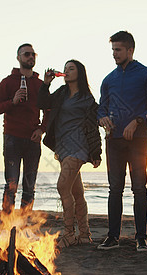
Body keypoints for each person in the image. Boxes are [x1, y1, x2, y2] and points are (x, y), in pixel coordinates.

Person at [96, 31, 147, 252]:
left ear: (130, 50)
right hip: (113, 140)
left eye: (118, 50)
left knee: (139, 188)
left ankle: (141, 238)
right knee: (115, 189)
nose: (114, 54)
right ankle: (112, 237)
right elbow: (101, 107)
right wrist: (102, 118)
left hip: (139, 140)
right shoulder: (108, 80)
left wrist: (137, 121)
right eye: (113, 50)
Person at [37, 60, 102, 248]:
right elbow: (42, 103)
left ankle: (69, 233)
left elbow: (93, 128)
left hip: (79, 146)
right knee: (77, 192)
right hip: (62, 147)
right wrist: (46, 83)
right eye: (65, 69)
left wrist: (96, 152)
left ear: (80, 73)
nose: (66, 71)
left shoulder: (88, 100)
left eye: (71, 68)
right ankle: (85, 234)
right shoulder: (61, 94)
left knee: (62, 186)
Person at [0, 43, 47, 213]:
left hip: (32, 139)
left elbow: (49, 111)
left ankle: (25, 225)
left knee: (29, 187)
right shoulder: (7, 82)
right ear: (18, 58)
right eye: (26, 54)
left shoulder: (39, 84)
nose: (30, 57)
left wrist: (41, 129)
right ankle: (7, 225)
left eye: (33, 54)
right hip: (12, 139)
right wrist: (12, 102)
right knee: (11, 185)